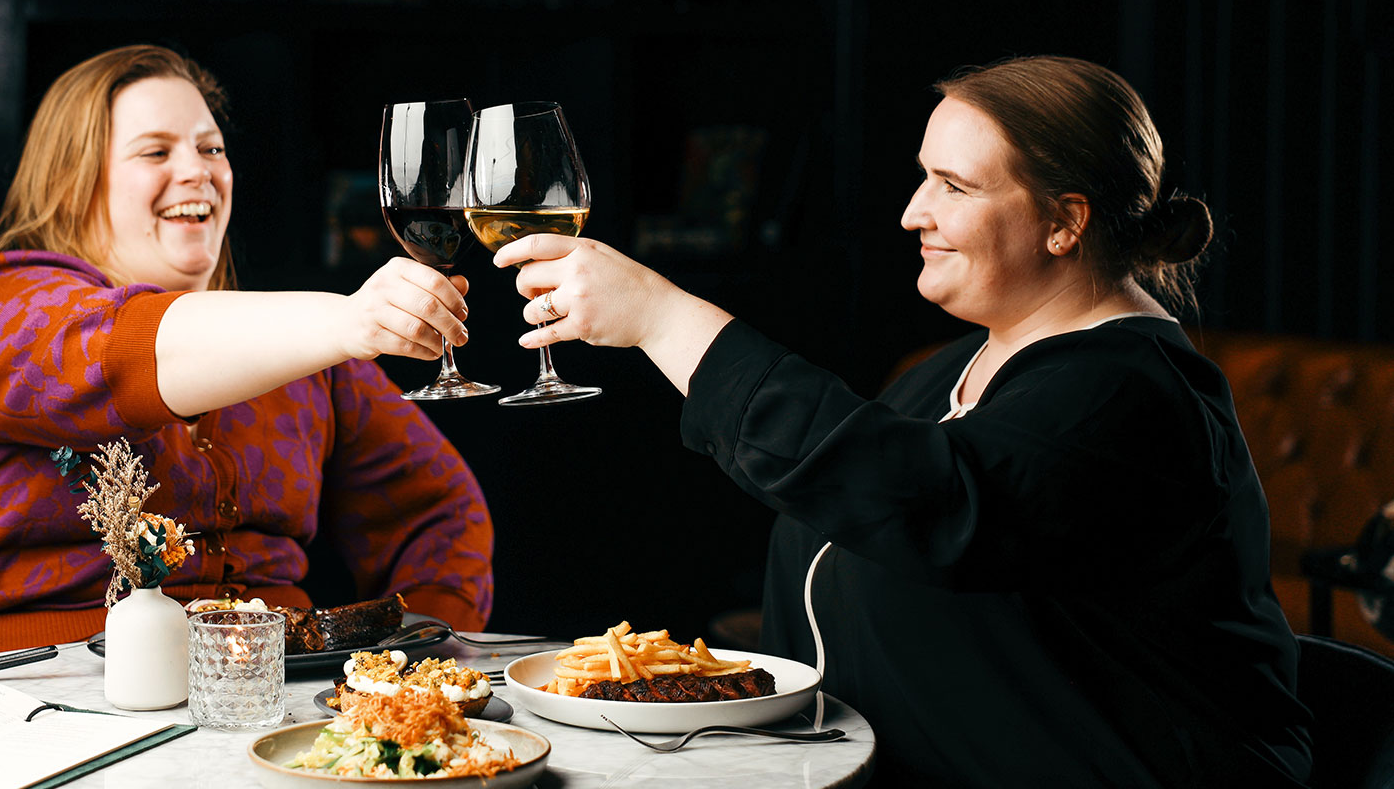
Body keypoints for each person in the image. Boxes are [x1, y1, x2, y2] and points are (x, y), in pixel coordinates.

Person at [493, 56, 1311, 787]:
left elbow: (925, 502)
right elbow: (847, 482)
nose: (913, 213)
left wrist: (666, 321)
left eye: (954, 187)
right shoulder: (943, 376)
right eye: (923, 177)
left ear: (1066, 221)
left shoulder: (1132, 392)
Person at [0, 44, 494, 674]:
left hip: (252, 699)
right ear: (74, 182)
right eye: (156, 151)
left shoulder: (306, 357)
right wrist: (352, 318)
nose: (198, 171)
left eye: (211, 149)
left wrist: (418, 655)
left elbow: (436, 508)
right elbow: (121, 352)